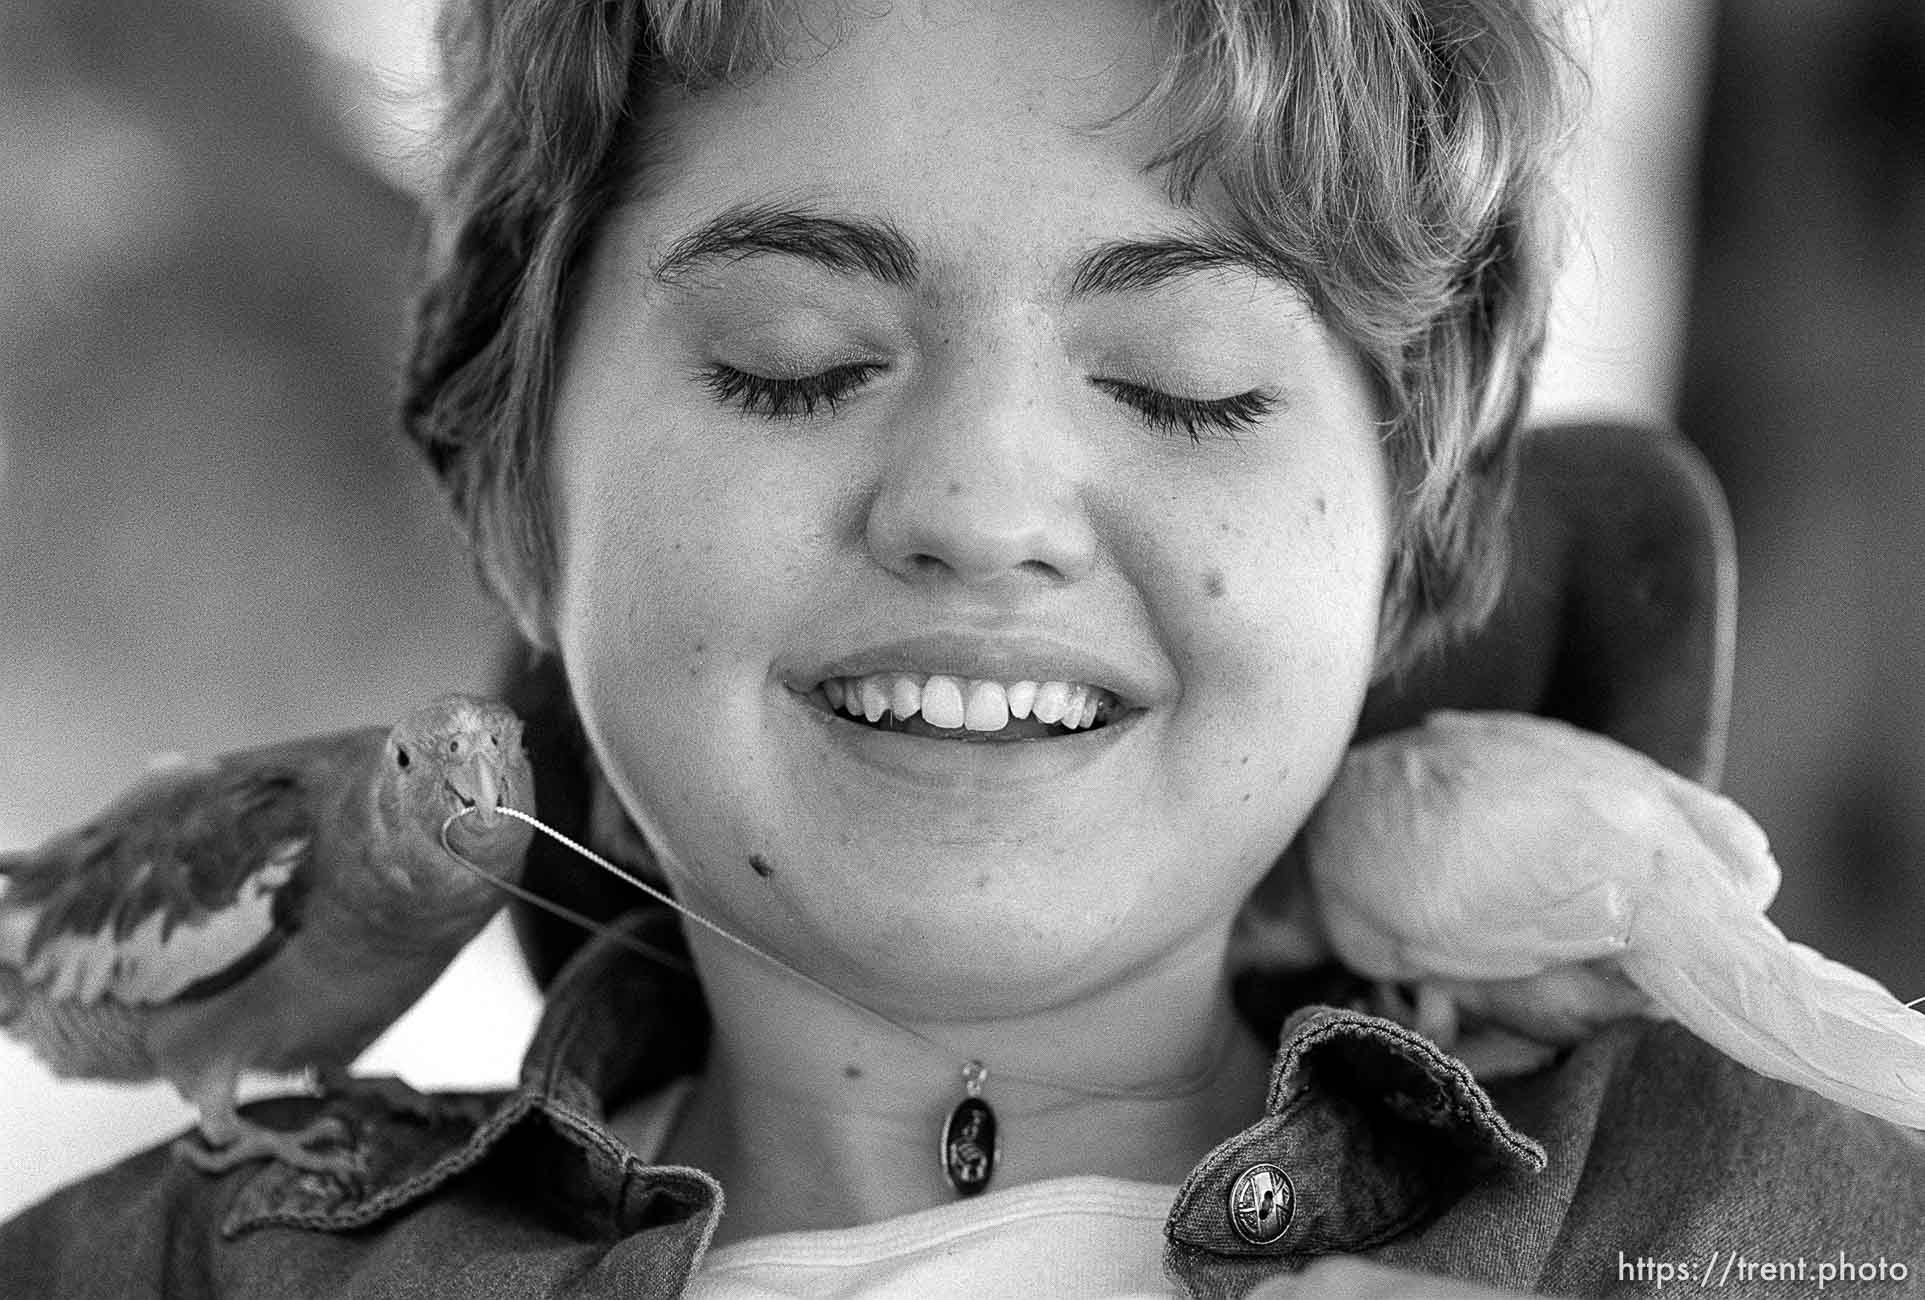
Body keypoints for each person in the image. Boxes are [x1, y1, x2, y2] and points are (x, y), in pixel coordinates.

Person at [4, 0, 1922, 1296]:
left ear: (1410, 524)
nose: (982, 503)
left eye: (1182, 389)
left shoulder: (1792, 1229)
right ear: (512, 473)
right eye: (793, 365)